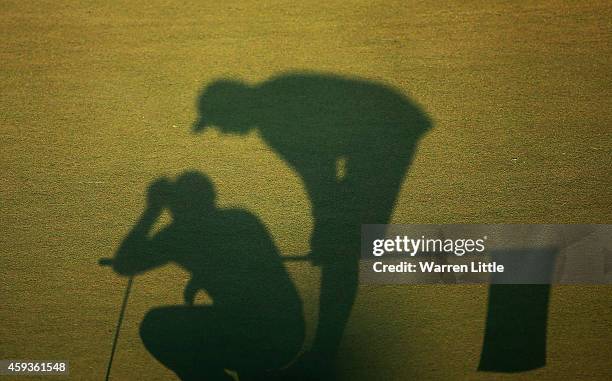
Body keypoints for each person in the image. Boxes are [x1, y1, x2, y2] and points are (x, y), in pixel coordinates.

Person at [192, 72, 432, 379]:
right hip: (386, 125)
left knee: (343, 247)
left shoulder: (275, 121)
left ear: (233, 107)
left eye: (218, 122)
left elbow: (320, 180)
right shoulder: (272, 105)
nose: (223, 132)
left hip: (386, 128)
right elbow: (323, 180)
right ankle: (326, 349)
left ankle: (325, 353)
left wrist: (326, 231)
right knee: (344, 243)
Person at [111, 172, 305, 381]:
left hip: (254, 331)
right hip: (287, 332)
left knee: (156, 326)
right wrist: (203, 276)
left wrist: (152, 210)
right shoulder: (241, 219)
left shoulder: (179, 234)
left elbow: (125, 263)